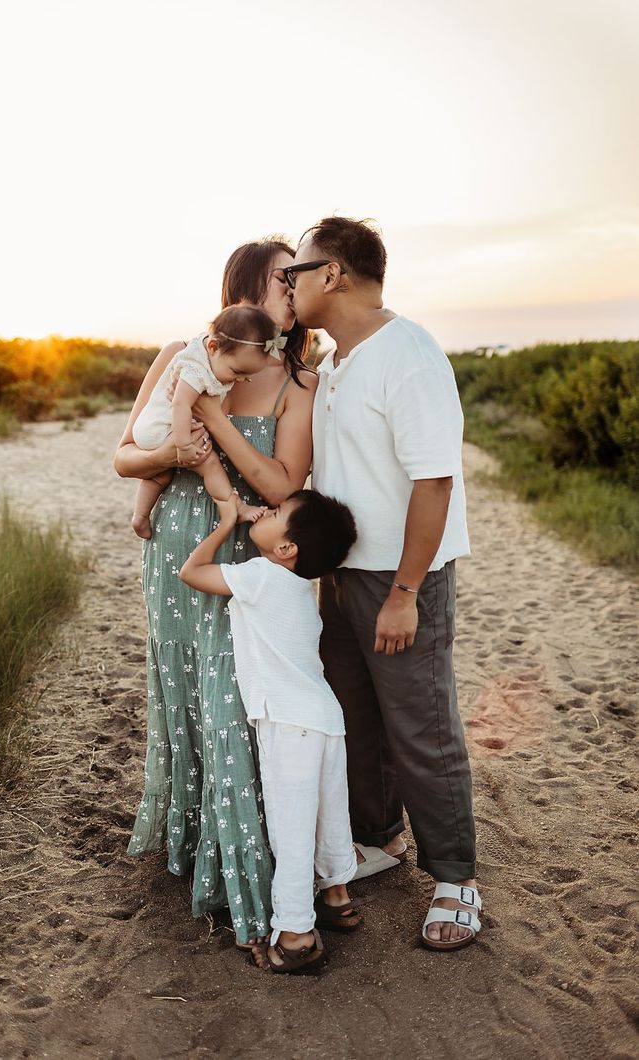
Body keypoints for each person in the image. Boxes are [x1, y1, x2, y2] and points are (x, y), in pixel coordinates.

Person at [114, 238, 318, 950]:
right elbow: (122, 457)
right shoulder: (180, 351)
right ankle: (199, 842)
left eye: (297, 277)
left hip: (249, 549)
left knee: (236, 697)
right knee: (190, 689)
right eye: (280, 277)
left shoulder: (298, 380)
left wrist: (215, 416)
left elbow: (281, 487)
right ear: (245, 290)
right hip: (180, 542)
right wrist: (173, 454)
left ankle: (244, 865)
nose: (293, 286)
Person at [286, 216, 482, 950]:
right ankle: (377, 839)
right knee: (355, 718)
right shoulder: (338, 360)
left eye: (294, 272)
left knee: (421, 728)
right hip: (342, 575)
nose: (288, 284)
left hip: (403, 579)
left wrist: (404, 591)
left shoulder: (410, 356)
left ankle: (456, 878)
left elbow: (434, 482)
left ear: (331, 273)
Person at [179, 488, 360, 975]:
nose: (265, 511)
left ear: (286, 550)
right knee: (329, 814)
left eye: (275, 513)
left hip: (288, 722)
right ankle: (339, 895)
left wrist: (225, 521)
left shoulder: (259, 577)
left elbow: (191, 572)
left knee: (291, 829)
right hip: (324, 717)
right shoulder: (301, 588)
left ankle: (298, 932)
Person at [130, 304, 285, 538]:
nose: (241, 379)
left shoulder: (209, 349)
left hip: (153, 429)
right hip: (163, 429)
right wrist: (183, 445)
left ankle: (140, 516)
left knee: (160, 474)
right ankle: (235, 506)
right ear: (213, 347)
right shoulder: (196, 370)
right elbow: (180, 404)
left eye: (248, 376)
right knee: (210, 464)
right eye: (237, 371)